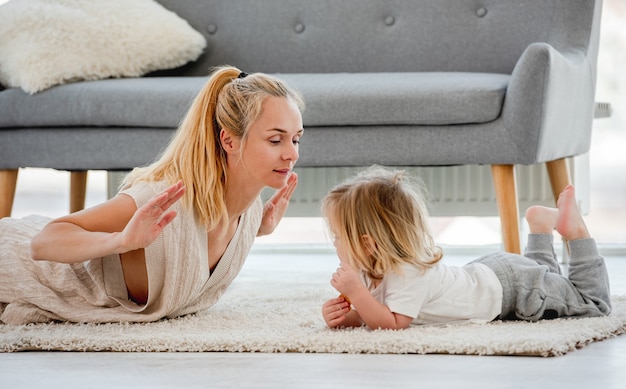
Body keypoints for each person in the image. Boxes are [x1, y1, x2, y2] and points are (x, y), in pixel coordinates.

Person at [0, 66, 305, 325]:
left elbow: (194, 251)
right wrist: (121, 241)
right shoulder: (162, 200)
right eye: (276, 140)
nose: (291, 153)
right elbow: (42, 243)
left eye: (296, 139)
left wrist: (258, 230)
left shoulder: (249, 212)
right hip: (14, 262)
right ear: (229, 141)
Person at [321, 166, 611, 330]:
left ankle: (577, 234)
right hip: (495, 273)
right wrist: (347, 316)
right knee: (546, 277)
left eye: (337, 236)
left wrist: (358, 295)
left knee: (593, 304)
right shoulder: (371, 268)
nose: (333, 242)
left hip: (515, 290)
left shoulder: (407, 272)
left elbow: (394, 322)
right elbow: (374, 311)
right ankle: (541, 227)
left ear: (368, 243)